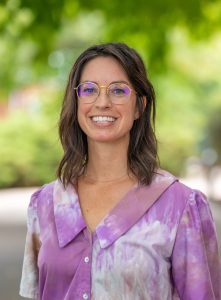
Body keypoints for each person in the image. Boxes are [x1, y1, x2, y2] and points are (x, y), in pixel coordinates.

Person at [20, 42, 221, 300]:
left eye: (118, 90)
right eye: (89, 89)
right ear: (76, 101)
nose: (102, 102)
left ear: (139, 106)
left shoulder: (180, 206)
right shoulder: (45, 204)